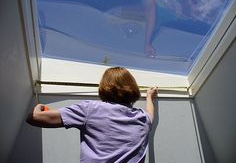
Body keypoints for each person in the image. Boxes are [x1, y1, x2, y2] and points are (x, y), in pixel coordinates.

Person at [27, 67, 157, 163]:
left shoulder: (90, 110)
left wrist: (41, 106)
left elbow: (34, 117)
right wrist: (149, 97)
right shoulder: (143, 119)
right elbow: (150, 114)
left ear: (104, 87)